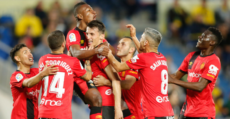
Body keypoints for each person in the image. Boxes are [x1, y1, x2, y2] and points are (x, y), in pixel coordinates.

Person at [106, 24, 174, 119]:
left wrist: (108, 54)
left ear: (146, 42)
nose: (139, 39)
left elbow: (118, 67)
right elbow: (144, 54)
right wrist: (133, 37)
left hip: (153, 112)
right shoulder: (161, 57)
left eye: (141, 38)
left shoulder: (144, 58)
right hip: (167, 111)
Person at [66, 2, 114, 119]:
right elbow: (76, 53)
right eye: (89, 11)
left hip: (92, 75)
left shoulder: (94, 33)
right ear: (80, 16)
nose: (94, 12)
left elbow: (111, 50)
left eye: (93, 10)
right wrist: (97, 50)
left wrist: (105, 45)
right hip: (78, 75)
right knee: (96, 98)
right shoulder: (73, 34)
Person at [168, 27, 223, 119]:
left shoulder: (214, 61)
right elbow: (175, 76)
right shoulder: (191, 56)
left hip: (203, 113)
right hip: (186, 110)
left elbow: (200, 86)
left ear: (212, 42)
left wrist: (174, 81)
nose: (199, 37)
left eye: (204, 36)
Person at [38, 30, 92, 119]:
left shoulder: (42, 60)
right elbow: (88, 76)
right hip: (62, 114)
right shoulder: (72, 62)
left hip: (43, 113)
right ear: (63, 44)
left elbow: (59, 63)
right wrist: (88, 61)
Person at [93, 36, 144, 119]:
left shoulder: (134, 66)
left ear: (131, 49)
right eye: (119, 43)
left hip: (133, 115)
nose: (118, 46)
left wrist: (105, 82)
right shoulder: (117, 68)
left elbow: (127, 84)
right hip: (121, 114)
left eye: (123, 44)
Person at [86, 20, 123, 119]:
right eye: (87, 33)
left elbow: (116, 80)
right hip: (98, 102)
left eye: (92, 34)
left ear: (102, 36)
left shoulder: (101, 53)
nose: (88, 37)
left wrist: (118, 109)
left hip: (105, 103)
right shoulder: (95, 48)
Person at [10, 44, 57, 119]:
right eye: (25, 52)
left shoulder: (36, 72)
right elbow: (28, 83)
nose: (30, 54)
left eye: (30, 51)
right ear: (18, 58)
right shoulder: (16, 76)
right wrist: (42, 74)